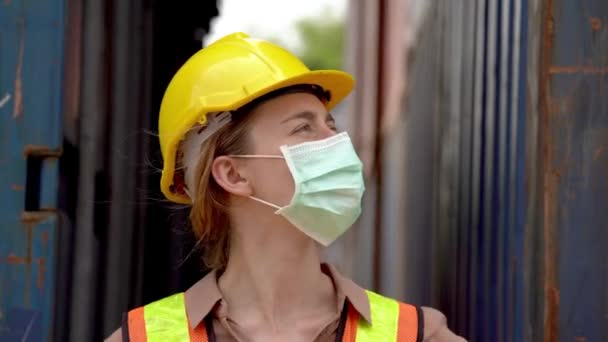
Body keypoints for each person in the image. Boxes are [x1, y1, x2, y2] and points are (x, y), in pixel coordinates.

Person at [105, 32, 465, 342]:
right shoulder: (144, 337)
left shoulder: (417, 334)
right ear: (233, 175)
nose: (337, 143)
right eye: (303, 129)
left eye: (331, 124)